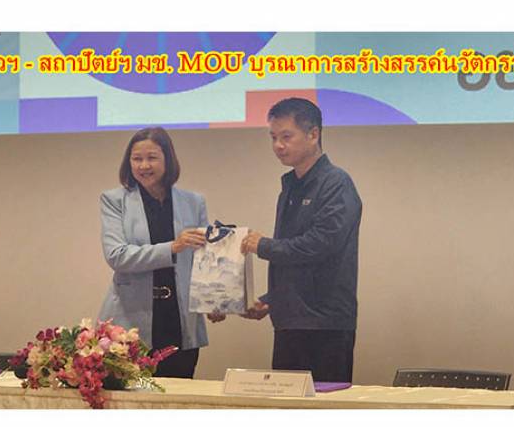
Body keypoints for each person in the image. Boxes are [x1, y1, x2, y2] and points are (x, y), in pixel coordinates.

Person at [240, 97, 362, 383]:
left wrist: (263, 245)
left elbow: (320, 244)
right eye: (273, 137)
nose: (278, 145)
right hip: (290, 321)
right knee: (287, 402)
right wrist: (271, 300)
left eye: (286, 136)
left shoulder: (336, 183)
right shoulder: (290, 186)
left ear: (313, 134)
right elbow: (294, 259)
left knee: (323, 404)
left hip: (324, 323)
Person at [98, 127, 224, 379]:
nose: (144, 165)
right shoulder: (114, 200)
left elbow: (204, 258)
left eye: (152, 157)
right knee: (134, 396)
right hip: (130, 320)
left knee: (179, 393)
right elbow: (117, 256)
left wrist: (213, 299)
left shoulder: (193, 201)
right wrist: (173, 247)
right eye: (137, 158)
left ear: (168, 159)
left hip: (180, 317)